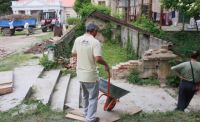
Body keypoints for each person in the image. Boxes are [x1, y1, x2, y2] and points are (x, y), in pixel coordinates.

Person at [71, 23, 110, 122]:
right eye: (96, 32)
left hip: (80, 74)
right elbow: (98, 59)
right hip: (90, 76)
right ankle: (90, 119)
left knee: (85, 96)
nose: (96, 34)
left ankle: (86, 114)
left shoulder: (78, 39)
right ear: (94, 31)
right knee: (93, 98)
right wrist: (106, 64)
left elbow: (74, 53)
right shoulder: (95, 42)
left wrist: (83, 54)